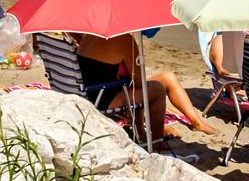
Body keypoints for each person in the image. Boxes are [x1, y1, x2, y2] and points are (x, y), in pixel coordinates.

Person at [76, 32, 215, 137]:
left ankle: (197, 123)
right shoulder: (124, 40)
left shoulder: (90, 35)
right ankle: (155, 138)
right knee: (157, 90)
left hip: (92, 91)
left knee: (168, 77)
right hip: (103, 100)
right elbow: (138, 82)